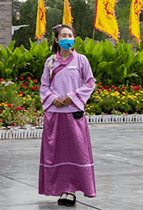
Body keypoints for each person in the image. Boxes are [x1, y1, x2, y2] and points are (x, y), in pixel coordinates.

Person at [38, 24, 96, 206]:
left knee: (76, 152)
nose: (66, 38)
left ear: (74, 38)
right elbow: (44, 86)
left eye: (69, 35)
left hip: (74, 113)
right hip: (55, 114)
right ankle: (62, 189)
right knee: (57, 153)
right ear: (56, 40)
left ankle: (71, 190)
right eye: (63, 35)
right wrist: (53, 98)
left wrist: (72, 97)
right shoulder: (50, 62)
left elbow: (89, 83)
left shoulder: (81, 60)